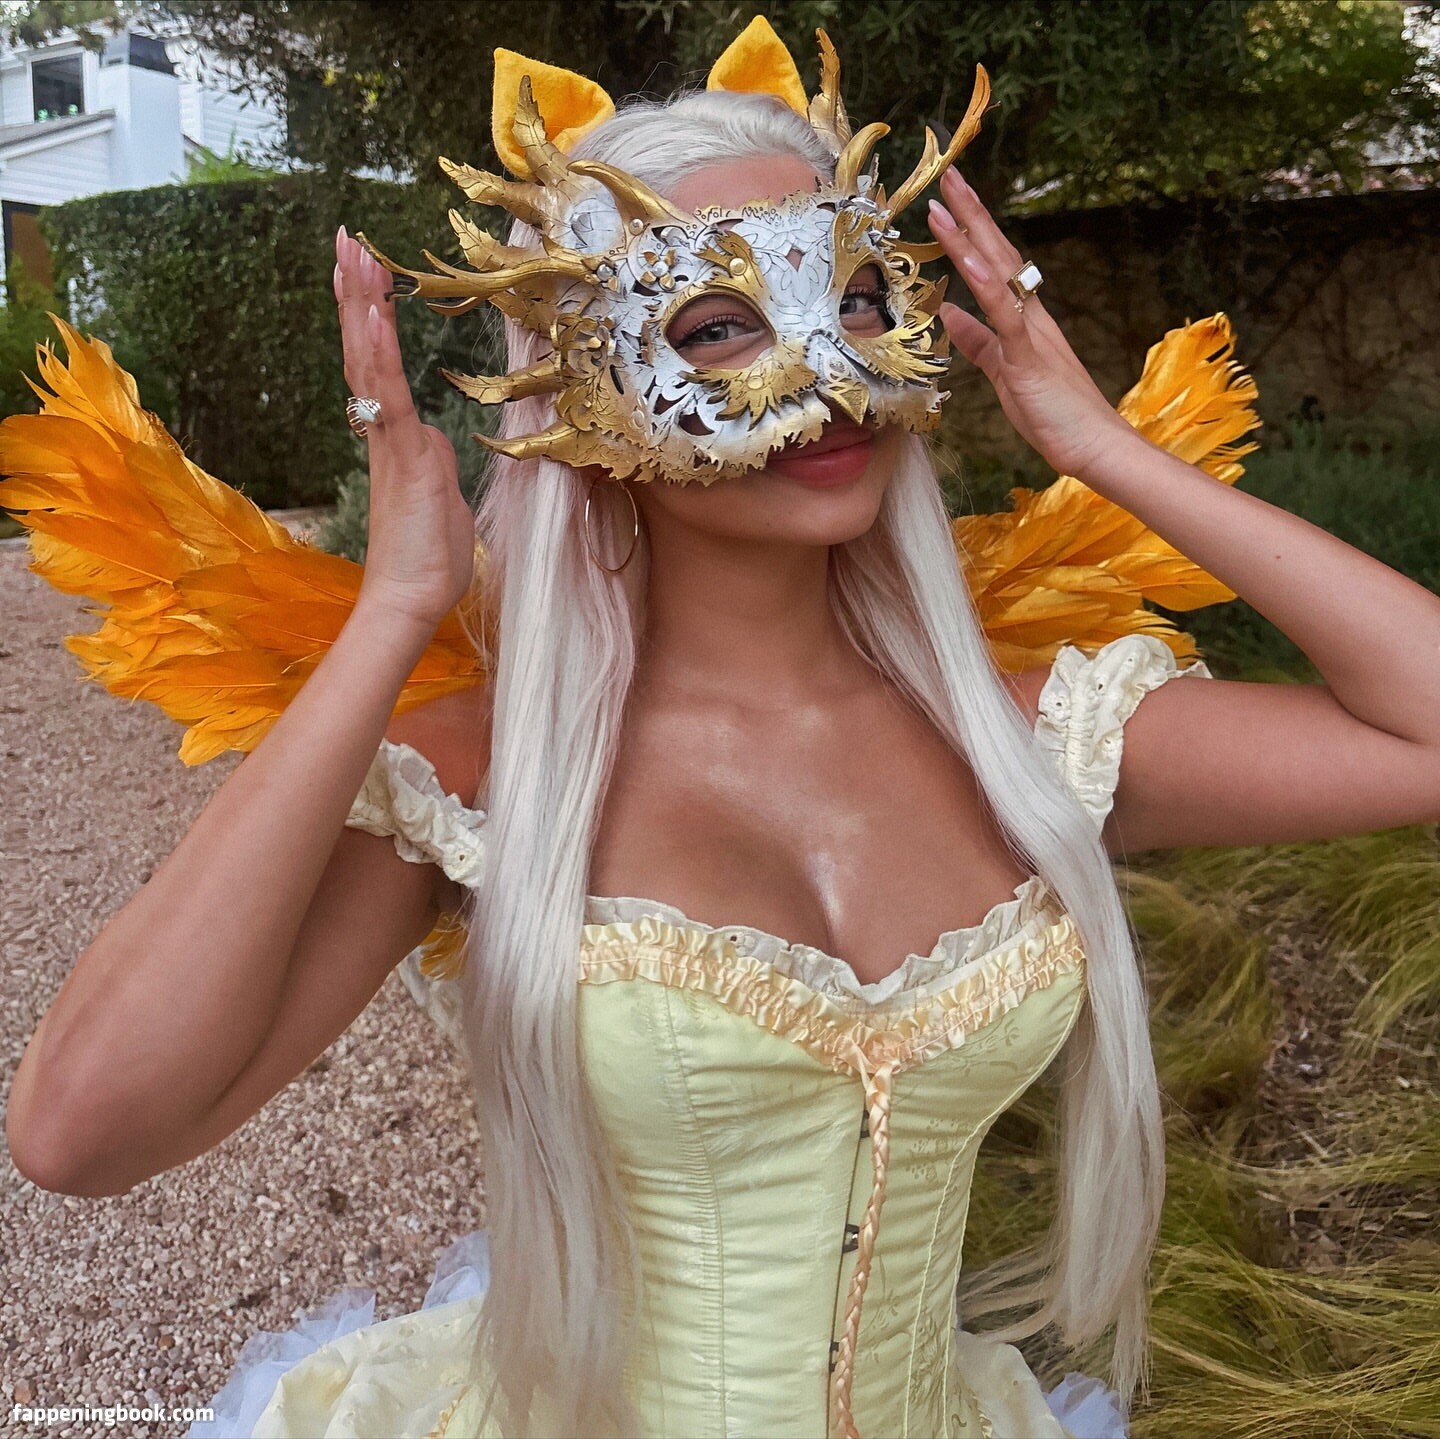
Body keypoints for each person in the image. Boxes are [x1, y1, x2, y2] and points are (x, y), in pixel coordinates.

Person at [7, 17, 1440, 1439]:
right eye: (718, 325)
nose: (825, 368)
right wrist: (392, 617)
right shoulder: (492, 774)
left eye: (857, 300)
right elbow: (81, 1132)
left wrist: (1103, 449)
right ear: (580, 397)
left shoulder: (1025, 737)